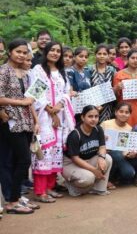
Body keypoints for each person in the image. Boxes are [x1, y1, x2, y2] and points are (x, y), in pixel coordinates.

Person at [30, 42, 75, 203]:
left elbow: (66, 93)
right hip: (43, 117)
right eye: (52, 50)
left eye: (58, 51)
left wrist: (59, 106)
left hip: (60, 116)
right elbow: (36, 94)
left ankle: (50, 187)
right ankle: (40, 191)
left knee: (56, 151)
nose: (55, 53)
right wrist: (51, 111)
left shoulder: (62, 71)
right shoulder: (38, 70)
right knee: (44, 153)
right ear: (46, 51)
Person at [0, 39, 39, 214]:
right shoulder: (3, 71)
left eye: (24, 52)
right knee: (22, 160)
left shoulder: (25, 72)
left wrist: (36, 120)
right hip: (10, 120)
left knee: (19, 160)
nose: (21, 55)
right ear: (10, 52)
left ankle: (15, 197)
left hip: (26, 121)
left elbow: (31, 98)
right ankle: (12, 201)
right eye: (18, 52)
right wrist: (21, 102)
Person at [62, 105, 112, 196]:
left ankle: (99, 189)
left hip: (87, 160)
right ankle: (73, 187)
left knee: (107, 158)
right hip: (70, 163)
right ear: (82, 117)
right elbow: (75, 158)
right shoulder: (75, 134)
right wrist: (94, 170)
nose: (93, 119)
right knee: (88, 178)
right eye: (90, 116)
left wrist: (101, 158)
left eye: (96, 116)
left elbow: (102, 146)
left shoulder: (98, 129)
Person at [100, 103, 135, 189]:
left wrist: (129, 154)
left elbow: (126, 147)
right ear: (116, 112)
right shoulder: (106, 124)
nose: (123, 114)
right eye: (121, 111)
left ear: (130, 114)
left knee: (129, 173)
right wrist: (102, 140)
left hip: (120, 156)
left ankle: (116, 177)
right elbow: (97, 138)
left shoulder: (129, 129)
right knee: (115, 154)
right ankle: (107, 179)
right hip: (105, 154)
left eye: (127, 112)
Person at [113, 50, 137, 127]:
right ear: (127, 59)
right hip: (123, 108)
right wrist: (117, 88)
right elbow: (114, 95)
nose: (135, 60)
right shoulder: (119, 74)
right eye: (133, 58)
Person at [89, 44, 117, 123]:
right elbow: (87, 88)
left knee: (104, 128)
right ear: (95, 55)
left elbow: (115, 87)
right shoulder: (89, 69)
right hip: (92, 105)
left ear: (108, 56)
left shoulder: (112, 70)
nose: (102, 56)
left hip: (107, 106)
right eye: (99, 54)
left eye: (104, 54)